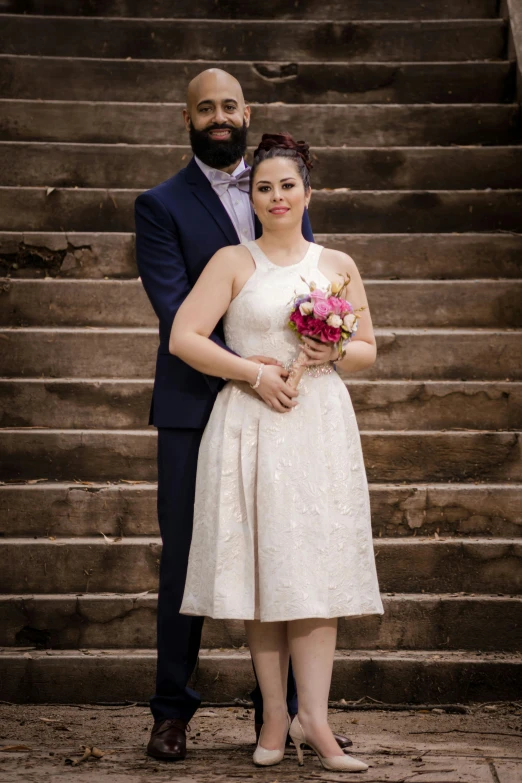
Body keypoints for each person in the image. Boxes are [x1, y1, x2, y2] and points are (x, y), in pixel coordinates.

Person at [135, 68, 351, 761]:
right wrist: (254, 373)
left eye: (230, 105)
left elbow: (303, 283)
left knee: (284, 552)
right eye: (206, 108)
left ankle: (284, 714)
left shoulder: (278, 186)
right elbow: (180, 312)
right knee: (186, 557)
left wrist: (315, 351)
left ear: (246, 110)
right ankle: (172, 710)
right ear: (188, 117)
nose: (219, 116)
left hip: (284, 406)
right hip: (199, 402)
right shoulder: (160, 203)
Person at [171, 133, 384, 772]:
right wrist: (248, 372)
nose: (276, 195)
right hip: (254, 423)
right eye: (263, 187)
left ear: (307, 192)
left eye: (287, 184)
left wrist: (334, 350)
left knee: (314, 570)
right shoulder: (232, 262)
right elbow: (184, 336)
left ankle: (315, 721)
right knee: (264, 575)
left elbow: (369, 348)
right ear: (252, 199)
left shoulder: (337, 263)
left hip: (318, 425)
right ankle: (271, 717)